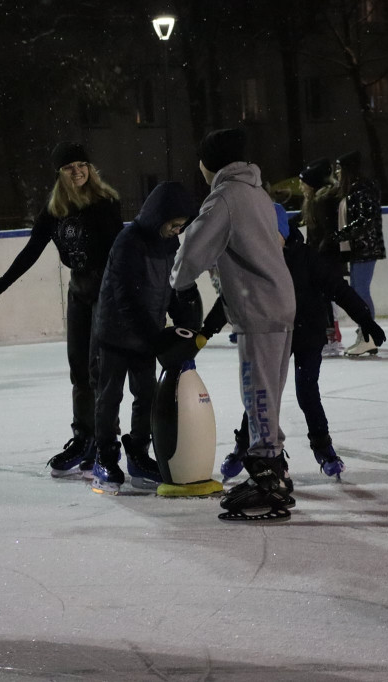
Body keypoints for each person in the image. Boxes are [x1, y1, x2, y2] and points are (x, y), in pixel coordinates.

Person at [168, 127, 297, 522]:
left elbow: (192, 250)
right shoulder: (258, 192)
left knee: (257, 395)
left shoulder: (224, 197)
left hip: (257, 309)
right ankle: (274, 469)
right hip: (280, 303)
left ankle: (265, 480)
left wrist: (178, 279)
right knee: (269, 394)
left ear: (209, 164)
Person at [218, 206, 386, 483]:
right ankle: (244, 448)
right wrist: (204, 330)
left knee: (307, 391)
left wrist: (365, 320)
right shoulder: (257, 261)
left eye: (273, 236)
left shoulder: (307, 257)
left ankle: (324, 450)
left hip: (307, 335)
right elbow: (228, 297)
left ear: (284, 233)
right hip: (272, 337)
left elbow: (339, 289)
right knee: (262, 396)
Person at [0, 143, 123, 477]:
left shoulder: (105, 204)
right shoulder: (54, 211)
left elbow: (118, 252)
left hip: (104, 293)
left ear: (90, 168)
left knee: (97, 369)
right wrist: (4, 281)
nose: (77, 171)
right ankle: (84, 437)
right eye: (69, 167)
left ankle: (106, 442)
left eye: (82, 165)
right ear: (59, 173)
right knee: (78, 368)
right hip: (78, 292)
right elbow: (32, 249)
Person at [90, 181, 202, 493]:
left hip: (145, 335)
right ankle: (105, 457)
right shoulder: (129, 241)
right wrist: (156, 338)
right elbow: (126, 298)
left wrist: (185, 326)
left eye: (182, 226)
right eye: (174, 224)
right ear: (159, 216)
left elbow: (170, 289)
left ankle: (138, 454)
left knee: (147, 396)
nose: (177, 231)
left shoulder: (169, 244)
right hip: (115, 334)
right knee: (109, 397)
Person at [334, 150, 385, 356]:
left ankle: (369, 336)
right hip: (360, 247)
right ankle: (366, 334)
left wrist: (341, 235)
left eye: (338, 168)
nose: (336, 172)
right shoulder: (355, 189)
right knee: (358, 291)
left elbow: (366, 219)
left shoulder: (362, 189)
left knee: (360, 292)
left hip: (365, 247)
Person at [298, 158, 345, 356]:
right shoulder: (315, 201)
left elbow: (326, 233)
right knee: (324, 300)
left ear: (312, 183)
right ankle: (330, 337)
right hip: (322, 258)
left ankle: (331, 339)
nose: (300, 186)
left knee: (325, 299)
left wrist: (317, 257)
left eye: (303, 182)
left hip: (325, 259)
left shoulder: (322, 201)